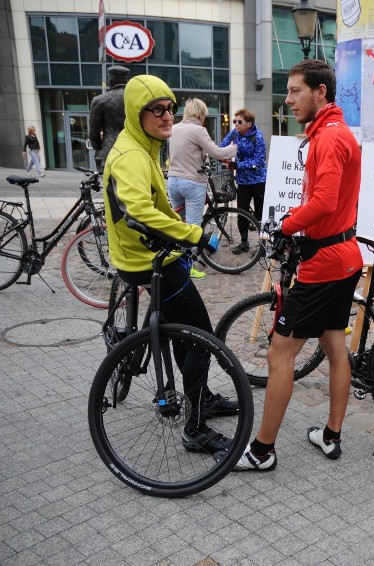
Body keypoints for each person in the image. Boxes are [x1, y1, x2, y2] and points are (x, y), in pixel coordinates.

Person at [225, 59, 362, 471]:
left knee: (279, 354)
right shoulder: (332, 133)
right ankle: (331, 436)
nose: (287, 100)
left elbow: (325, 202)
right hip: (344, 255)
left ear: (320, 92)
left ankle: (262, 451)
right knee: (335, 345)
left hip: (324, 262)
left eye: (295, 91)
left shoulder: (329, 139)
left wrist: (285, 225)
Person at [103, 74, 238, 455]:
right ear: (136, 112)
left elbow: (153, 205)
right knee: (202, 338)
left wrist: (177, 226)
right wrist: (192, 234)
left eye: (170, 109)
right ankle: (195, 426)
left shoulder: (143, 145)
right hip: (151, 261)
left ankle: (203, 397)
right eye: (156, 110)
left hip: (148, 255)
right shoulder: (131, 155)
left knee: (185, 333)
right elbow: (138, 209)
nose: (166, 117)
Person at [167, 98, 237, 279]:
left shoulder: (174, 128)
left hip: (173, 181)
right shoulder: (197, 130)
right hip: (191, 182)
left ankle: (175, 263)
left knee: (178, 225)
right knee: (192, 227)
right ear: (199, 114)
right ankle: (188, 268)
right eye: (204, 116)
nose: (204, 120)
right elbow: (217, 153)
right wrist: (235, 148)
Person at [219, 109, 267, 255]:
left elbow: (259, 161)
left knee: (260, 214)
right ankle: (244, 242)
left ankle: (262, 246)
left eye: (239, 122)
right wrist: (225, 157)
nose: (236, 124)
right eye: (234, 121)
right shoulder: (235, 133)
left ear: (249, 124)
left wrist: (238, 165)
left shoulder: (258, 137)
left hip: (258, 181)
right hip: (243, 181)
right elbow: (222, 147)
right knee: (242, 212)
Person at [89, 66, 130, 172]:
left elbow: (94, 134)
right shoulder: (136, 98)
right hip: (133, 150)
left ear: (110, 80)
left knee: (110, 186)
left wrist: (100, 149)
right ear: (126, 80)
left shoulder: (99, 100)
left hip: (109, 151)